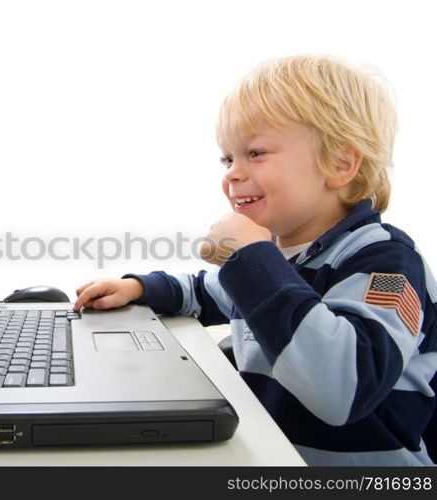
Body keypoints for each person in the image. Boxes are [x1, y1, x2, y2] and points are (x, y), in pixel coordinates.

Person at [73, 55, 437, 466]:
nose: (232, 174)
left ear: (339, 164)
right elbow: (205, 292)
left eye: (256, 153)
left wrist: (251, 259)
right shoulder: (284, 254)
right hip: (273, 456)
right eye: (227, 159)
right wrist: (140, 287)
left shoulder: (388, 265)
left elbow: (345, 386)